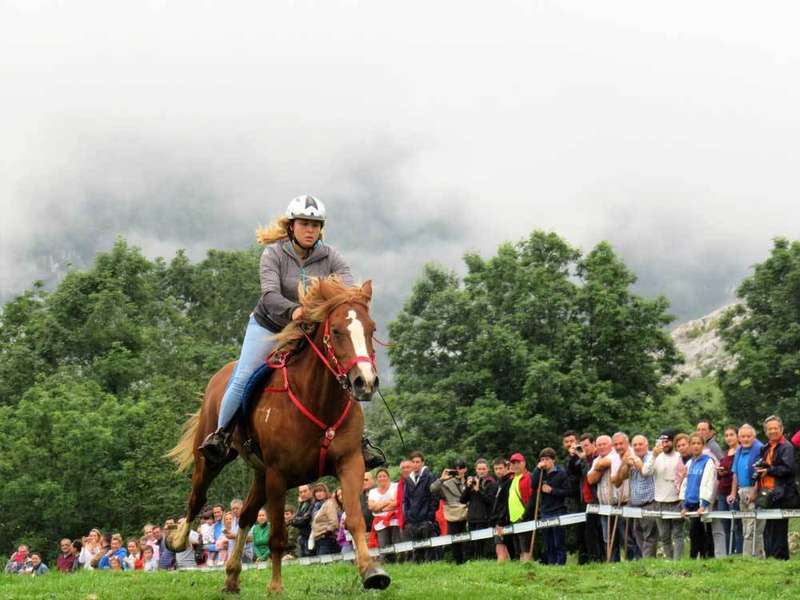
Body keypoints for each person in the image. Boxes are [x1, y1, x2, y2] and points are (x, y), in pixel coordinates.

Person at [198, 195, 383, 470]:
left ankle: (359, 440)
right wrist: (294, 311)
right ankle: (222, 434)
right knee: (243, 376)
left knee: (344, 370)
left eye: (316, 225)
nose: (310, 230)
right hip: (269, 324)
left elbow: (346, 291)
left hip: (310, 328)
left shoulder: (331, 256)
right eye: (305, 224)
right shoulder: (273, 253)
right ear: (291, 226)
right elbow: (270, 295)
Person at [756, 415, 797, 560]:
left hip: (783, 494)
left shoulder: (787, 447)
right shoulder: (765, 448)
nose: (772, 431)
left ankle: (780, 561)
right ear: (766, 431)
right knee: (768, 530)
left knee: (779, 530)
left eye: (775, 428)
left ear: (781, 429)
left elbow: (789, 469)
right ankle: (770, 559)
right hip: (767, 493)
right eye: (769, 429)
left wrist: (769, 470)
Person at [642, 429, 684, 560]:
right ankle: (670, 561)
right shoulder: (656, 457)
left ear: (673, 442)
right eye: (662, 442)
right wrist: (653, 456)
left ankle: (677, 562)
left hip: (676, 501)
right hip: (660, 502)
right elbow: (645, 472)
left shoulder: (679, 456)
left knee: (678, 535)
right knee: (664, 536)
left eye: (667, 441)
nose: (664, 444)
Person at [524, 448, 570, 565]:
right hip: (545, 510)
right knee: (547, 540)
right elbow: (533, 485)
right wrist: (537, 469)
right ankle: (550, 563)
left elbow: (568, 492)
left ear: (553, 460)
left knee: (558, 540)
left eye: (547, 459)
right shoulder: (541, 473)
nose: (544, 462)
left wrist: (552, 490)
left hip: (558, 510)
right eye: (542, 459)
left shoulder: (561, 473)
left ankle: (560, 564)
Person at [617, 434, 657, 558]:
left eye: (640, 444)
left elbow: (645, 473)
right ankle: (645, 560)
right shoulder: (631, 458)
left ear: (647, 445)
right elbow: (621, 478)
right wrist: (626, 464)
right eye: (635, 445)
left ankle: (648, 561)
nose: (638, 447)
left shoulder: (652, 457)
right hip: (635, 504)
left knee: (649, 535)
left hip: (650, 502)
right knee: (637, 533)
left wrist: (638, 463)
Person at [679, 433, 717, 559]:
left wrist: (704, 504)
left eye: (698, 443)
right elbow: (685, 484)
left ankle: (706, 558)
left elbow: (708, 484)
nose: (695, 446)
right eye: (693, 443)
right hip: (690, 503)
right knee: (694, 533)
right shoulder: (689, 463)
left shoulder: (708, 462)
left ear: (703, 445)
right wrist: (684, 504)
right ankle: (694, 558)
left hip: (701, 504)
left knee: (704, 533)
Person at [729, 423, 764, 557]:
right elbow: (735, 473)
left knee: (753, 528)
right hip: (741, 490)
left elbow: (760, 474)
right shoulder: (739, 450)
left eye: (748, 436)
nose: (745, 439)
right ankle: (756, 557)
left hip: (755, 490)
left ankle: (749, 557)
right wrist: (733, 493)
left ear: (754, 437)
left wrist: (754, 492)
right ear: (739, 438)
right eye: (743, 436)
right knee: (745, 527)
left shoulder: (760, 449)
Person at [587, 435, 624, 561]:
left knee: (624, 536)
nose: (601, 447)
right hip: (604, 504)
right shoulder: (595, 460)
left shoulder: (618, 454)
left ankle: (631, 562)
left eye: (604, 444)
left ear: (611, 445)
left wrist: (601, 465)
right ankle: (613, 562)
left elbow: (609, 462)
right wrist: (599, 466)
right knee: (608, 538)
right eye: (599, 445)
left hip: (620, 503)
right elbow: (591, 479)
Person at [402, 451, 439, 563]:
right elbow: (406, 500)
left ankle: (430, 567)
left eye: (418, 462)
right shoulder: (409, 480)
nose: (415, 464)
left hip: (426, 519)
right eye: (413, 462)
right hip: (412, 520)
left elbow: (434, 498)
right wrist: (407, 515)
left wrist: (430, 515)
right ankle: (418, 570)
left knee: (429, 547)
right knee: (416, 549)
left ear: (423, 463)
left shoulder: (430, 476)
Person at [430, 459, 469, 564]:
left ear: (465, 469)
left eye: (461, 468)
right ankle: (458, 562)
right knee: (455, 541)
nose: (459, 470)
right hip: (453, 515)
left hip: (468, 515)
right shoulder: (446, 483)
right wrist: (441, 479)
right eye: (456, 469)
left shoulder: (469, 481)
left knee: (468, 540)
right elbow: (432, 488)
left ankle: (470, 560)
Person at [460, 458, 497, 560]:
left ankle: (482, 562)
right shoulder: (471, 482)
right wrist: (468, 487)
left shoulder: (491, 483)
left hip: (484, 518)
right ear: (476, 470)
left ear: (487, 470)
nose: (481, 471)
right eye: (479, 469)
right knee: (472, 545)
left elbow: (491, 501)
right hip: (472, 518)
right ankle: (474, 564)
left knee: (481, 545)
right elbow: (462, 500)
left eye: (483, 469)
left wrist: (479, 490)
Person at [714, 425, 742, 556]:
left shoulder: (740, 451)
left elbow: (737, 472)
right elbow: (721, 474)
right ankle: (728, 553)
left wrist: (727, 472)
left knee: (736, 525)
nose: (729, 438)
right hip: (722, 492)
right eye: (726, 435)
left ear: (737, 436)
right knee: (724, 524)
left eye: (731, 434)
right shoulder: (726, 453)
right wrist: (720, 472)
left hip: (734, 491)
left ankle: (739, 552)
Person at [507, 452, 534, 562]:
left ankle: (529, 570)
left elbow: (532, 499)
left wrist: (525, 516)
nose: (515, 465)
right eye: (513, 463)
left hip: (524, 518)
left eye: (518, 462)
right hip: (514, 519)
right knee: (519, 550)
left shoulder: (528, 477)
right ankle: (523, 573)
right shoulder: (512, 479)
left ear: (524, 463)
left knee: (526, 549)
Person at [368, 468, 401, 554]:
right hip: (380, 522)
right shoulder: (372, 491)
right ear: (376, 479)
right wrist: (387, 501)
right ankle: (386, 563)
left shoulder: (395, 486)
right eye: (379, 476)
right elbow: (371, 507)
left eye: (384, 476)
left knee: (397, 543)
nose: (382, 478)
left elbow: (396, 502)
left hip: (394, 519)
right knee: (383, 545)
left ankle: (399, 564)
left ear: (388, 477)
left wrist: (379, 507)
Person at [489, 457, 514, 561]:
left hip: (504, 521)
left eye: (500, 468)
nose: (498, 471)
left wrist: (500, 522)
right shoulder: (499, 483)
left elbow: (505, 504)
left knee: (500, 549)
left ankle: (500, 573)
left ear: (506, 468)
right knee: (503, 549)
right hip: (497, 520)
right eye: (496, 469)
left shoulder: (509, 482)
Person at [311, 484, 341, 555]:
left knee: (325, 562)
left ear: (325, 492)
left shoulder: (329, 503)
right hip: (318, 539)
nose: (318, 493)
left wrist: (327, 532)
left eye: (321, 491)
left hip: (326, 538)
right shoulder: (317, 506)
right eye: (316, 492)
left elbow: (334, 521)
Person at [290, 485, 314, 558]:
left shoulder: (313, 503)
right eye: (300, 492)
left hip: (311, 537)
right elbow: (293, 520)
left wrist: (296, 520)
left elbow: (305, 520)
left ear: (310, 491)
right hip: (302, 537)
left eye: (305, 491)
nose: (303, 494)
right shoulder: (303, 504)